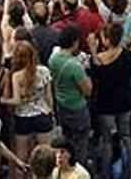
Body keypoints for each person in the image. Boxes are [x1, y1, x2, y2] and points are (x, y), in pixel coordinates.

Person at [88, 23, 131, 179]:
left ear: (106, 39)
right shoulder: (128, 56)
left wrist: (93, 51)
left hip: (106, 104)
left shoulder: (99, 60)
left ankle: (107, 173)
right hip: (124, 101)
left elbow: (95, 74)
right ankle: (129, 172)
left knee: (107, 140)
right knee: (126, 136)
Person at [5, 41, 56, 164]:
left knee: (22, 156)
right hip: (42, 114)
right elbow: (49, 96)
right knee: (46, 156)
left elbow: (17, 100)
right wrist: (52, 112)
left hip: (23, 117)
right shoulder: (43, 71)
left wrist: (3, 100)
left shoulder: (16, 76)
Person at [50, 25, 93, 169]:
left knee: (67, 143)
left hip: (62, 106)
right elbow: (87, 91)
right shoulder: (75, 66)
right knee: (80, 147)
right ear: (74, 42)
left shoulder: (53, 59)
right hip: (77, 108)